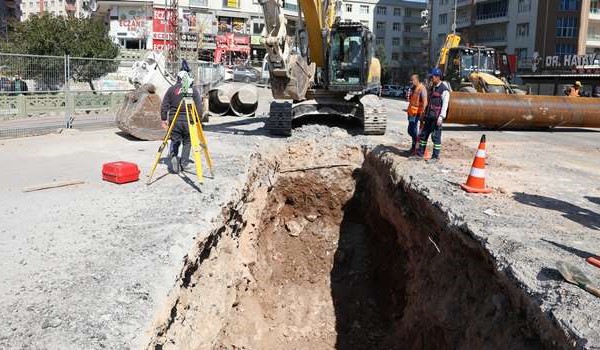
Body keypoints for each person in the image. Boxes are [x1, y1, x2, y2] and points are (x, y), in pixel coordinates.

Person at [160, 62, 203, 174]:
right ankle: (184, 163)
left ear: (178, 78)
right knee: (187, 142)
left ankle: (174, 157)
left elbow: (164, 105)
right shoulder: (192, 90)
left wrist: (163, 118)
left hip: (174, 119)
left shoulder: (171, 90)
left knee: (175, 140)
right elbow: (199, 107)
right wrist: (198, 120)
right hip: (189, 120)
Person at [416, 67, 449, 161]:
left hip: (436, 118)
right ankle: (420, 154)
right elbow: (429, 102)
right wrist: (423, 114)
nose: (431, 79)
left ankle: (435, 157)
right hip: (429, 116)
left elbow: (445, 105)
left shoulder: (444, 90)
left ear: (438, 77)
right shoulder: (432, 88)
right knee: (424, 135)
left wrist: (441, 117)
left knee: (436, 137)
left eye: (433, 77)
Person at [407, 74, 428, 154]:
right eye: (411, 80)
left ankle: (416, 145)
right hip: (411, 112)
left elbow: (425, 101)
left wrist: (423, 112)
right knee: (411, 131)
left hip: (416, 113)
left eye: (412, 80)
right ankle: (413, 147)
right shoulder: (413, 88)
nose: (411, 82)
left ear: (417, 80)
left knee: (412, 130)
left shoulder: (422, 88)